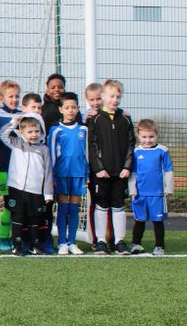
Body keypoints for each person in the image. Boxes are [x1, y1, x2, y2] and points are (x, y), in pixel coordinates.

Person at [88, 79, 135, 254]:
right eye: (112, 96)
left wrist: (127, 167)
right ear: (103, 96)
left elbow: (131, 144)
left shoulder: (125, 119)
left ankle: (119, 241)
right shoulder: (95, 119)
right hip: (101, 173)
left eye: (118, 96)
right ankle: (100, 241)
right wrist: (98, 168)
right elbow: (91, 145)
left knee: (118, 206)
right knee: (101, 205)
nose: (115, 100)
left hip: (120, 172)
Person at [0, 116, 55, 256]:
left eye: (36, 131)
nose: (34, 135)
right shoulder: (16, 144)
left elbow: (48, 173)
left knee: (34, 218)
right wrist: (14, 122)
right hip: (16, 189)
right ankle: (17, 246)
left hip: (35, 191)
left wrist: (48, 193)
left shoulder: (44, 149)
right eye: (30, 132)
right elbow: (2, 134)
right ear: (21, 132)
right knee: (18, 217)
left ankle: (34, 246)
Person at [48, 92, 87, 255]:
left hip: (78, 174)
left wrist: (87, 174)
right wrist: (53, 176)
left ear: (78, 109)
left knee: (74, 208)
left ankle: (72, 242)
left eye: (74, 107)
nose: (71, 110)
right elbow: (51, 154)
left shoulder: (83, 129)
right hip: (62, 174)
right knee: (62, 208)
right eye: (67, 107)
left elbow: (87, 154)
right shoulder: (56, 130)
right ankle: (61, 242)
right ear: (61, 109)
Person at [129, 119, 173, 256]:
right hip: (140, 194)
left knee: (157, 221)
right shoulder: (136, 152)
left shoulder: (162, 151)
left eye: (151, 137)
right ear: (138, 136)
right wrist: (132, 190)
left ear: (156, 135)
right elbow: (133, 173)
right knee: (139, 221)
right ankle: (136, 244)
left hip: (157, 194)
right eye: (144, 137)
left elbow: (168, 170)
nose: (147, 140)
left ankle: (159, 246)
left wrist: (168, 189)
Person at [0, 80, 22, 253]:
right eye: (11, 96)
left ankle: (19, 238)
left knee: (20, 204)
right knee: (8, 203)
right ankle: (3, 237)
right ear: (1, 97)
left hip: (22, 169)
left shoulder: (24, 113)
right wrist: (12, 124)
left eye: (17, 96)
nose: (14, 99)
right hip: (4, 167)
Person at [82, 80, 109, 250]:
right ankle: (95, 239)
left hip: (111, 167)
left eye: (98, 99)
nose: (95, 103)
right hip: (93, 169)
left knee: (112, 205)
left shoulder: (113, 115)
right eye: (91, 100)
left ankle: (112, 239)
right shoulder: (86, 118)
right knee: (95, 203)